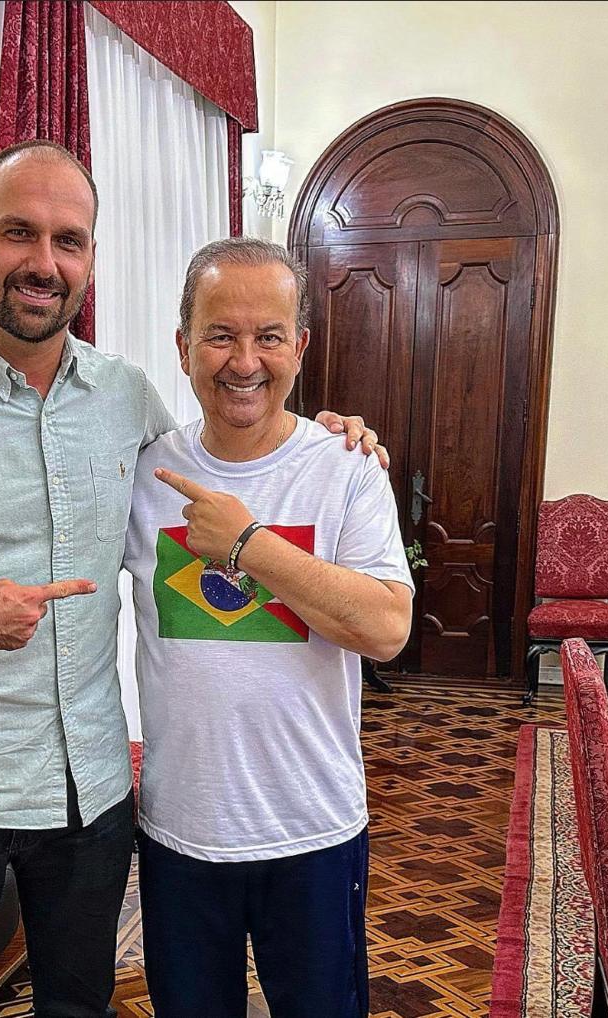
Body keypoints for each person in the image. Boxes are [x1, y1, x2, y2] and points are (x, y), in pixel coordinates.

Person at [0, 140, 384, 1018]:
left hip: (90, 798)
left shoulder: (127, 401)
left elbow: (232, 440)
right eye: (20, 232)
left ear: (90, 258)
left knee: (80, 1008)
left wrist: (329, 436)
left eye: (69, 240)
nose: (43, 262)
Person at [123, 237, 414, 1018]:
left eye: (269, 336)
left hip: (312, 829)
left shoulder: (345, 468)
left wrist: (249, 544)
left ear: (300, 346)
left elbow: (387, 630)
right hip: (182, 831)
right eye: (220, 335)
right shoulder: (143, 473)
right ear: (183, 347)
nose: (244, 361)